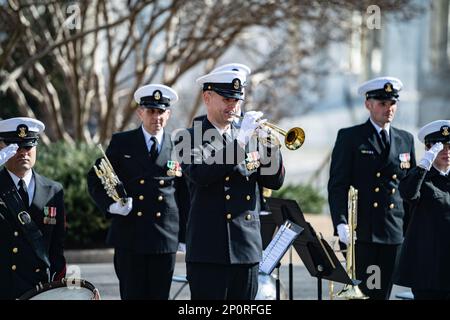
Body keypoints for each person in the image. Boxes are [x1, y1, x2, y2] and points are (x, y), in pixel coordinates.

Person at [176, 64, 285, 300]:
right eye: (226, 99)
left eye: (237, 100)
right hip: (208, 252)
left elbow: (275, 181)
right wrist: (241, 143)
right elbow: (201, 174)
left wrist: (270, 147)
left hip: (246, 249)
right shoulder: (188, 137)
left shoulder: (247, 134)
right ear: (207, 97)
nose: (233, 106)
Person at [87, 84, 189, 300]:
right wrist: (112, 205)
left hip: (164, 239)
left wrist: (184, 236)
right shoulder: (123, 142)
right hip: (130, 236)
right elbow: (96, 176)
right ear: (140, 112)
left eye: (161, 111)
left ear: (168, 114)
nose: (156, 117)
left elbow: (184, 193)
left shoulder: (178, 145)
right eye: (151, 111)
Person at [328, 77, 416, 300]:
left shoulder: (405, 139)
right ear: (368, 104)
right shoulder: (351, 137)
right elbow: (338, 185)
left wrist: (411, 230)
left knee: (383, 294)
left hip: (394, 232)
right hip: (362, 233)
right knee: (364, 294)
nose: (389, 109)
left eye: (392, 103)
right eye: (382, 103)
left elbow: (409, 190)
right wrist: (340, 223)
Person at [0, 117, 66, 300]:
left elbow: (57, 247)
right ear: (2, 149)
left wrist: (60, 288)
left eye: (28, 147)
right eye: (16, 148)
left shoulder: (53, 190)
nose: (23, 153)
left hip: (38, 288)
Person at [395, 120, 450, 300]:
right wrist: (423, 165)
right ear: (429, 148)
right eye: (441, 147)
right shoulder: (421, 179)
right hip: (428, 271)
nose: (447, 152)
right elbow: (409, 193)